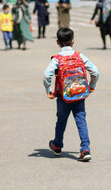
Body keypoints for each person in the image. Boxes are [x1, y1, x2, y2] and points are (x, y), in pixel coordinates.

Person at [44, 27, 99, 161]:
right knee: (81, 120)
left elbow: (47, 75)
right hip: (79, 94)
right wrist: (91, 86)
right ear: (73, 41)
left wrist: (49, 90)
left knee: (61, 120)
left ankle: (57, 145)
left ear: (58, 42)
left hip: (63, 95)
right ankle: (85, 149)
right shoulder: (80, 56)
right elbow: (95, 72)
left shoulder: (57, 59)